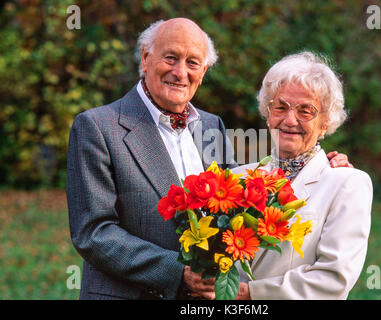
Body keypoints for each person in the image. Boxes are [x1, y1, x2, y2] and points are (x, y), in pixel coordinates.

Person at [66, 18, 351, 300]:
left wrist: (326, 168)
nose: (180, 72)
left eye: (192, 63)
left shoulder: (211, 126)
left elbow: (236, 206)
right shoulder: (98, 127)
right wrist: (179, 273)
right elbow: (93, 232)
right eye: (170, 58)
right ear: (145, 58)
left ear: (203, 71)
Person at [233, 52, 373, 299]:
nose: (289, 120)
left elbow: (333, 278)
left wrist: (251, 295)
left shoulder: (347, 184)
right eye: (280, 107)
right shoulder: (236, 179)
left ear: (326, 122)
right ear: (268, 114)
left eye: (305, 111)